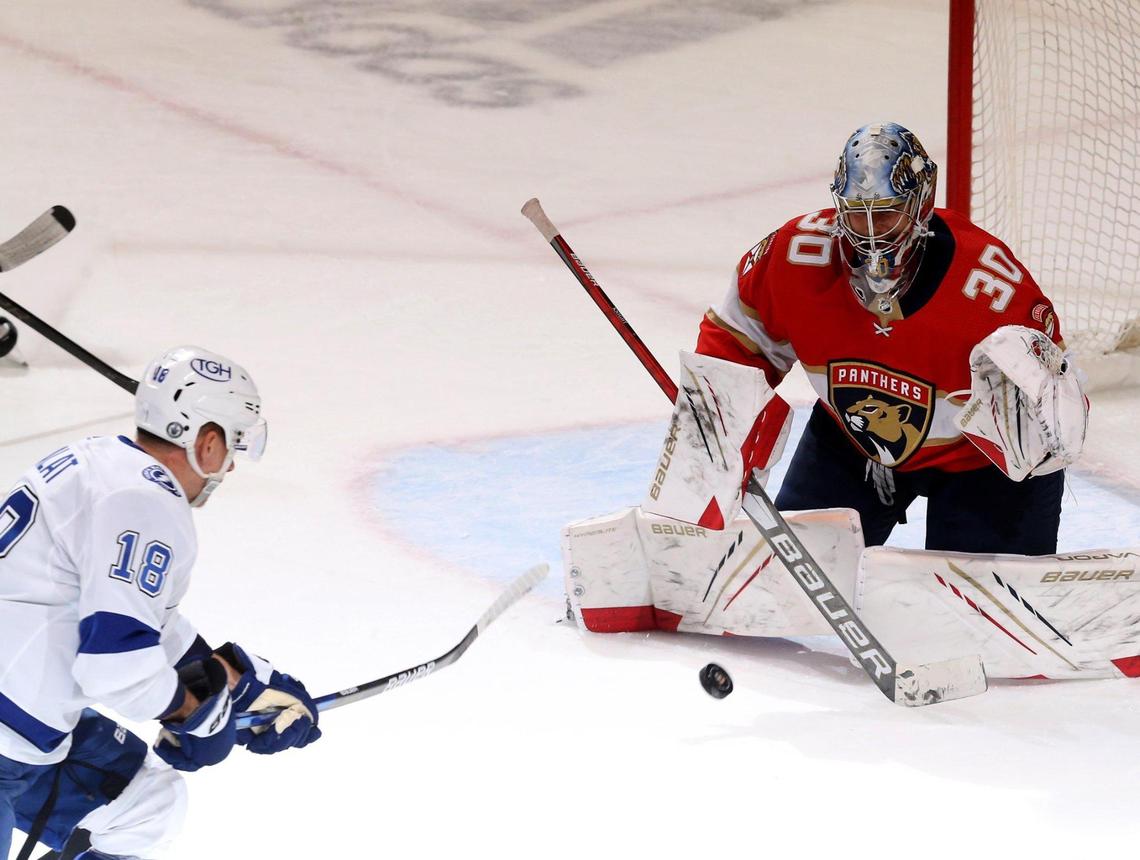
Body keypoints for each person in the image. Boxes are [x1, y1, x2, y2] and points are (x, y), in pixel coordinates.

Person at [696, 122, 1088, 555]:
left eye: (885, 212)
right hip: (854, 439)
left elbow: (1055, 411)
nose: (870, 233)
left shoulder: (991, 295)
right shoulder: (794, 256)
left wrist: (1030, 426)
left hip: (979, 464)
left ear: (920, 205)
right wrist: (719, 423)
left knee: (976, 597)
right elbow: (735, 342)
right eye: (855, 212)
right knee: (787, 577)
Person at [0, 345, 322, 860]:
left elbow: (140, 620)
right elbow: (114, 667)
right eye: (233, 445)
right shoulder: (146, 502)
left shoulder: (103, 462)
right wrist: (194, 714)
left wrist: (239, 685)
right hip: (8, 739)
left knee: (146, 805)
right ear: (208, 443)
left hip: (21, 732)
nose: (230, 466)